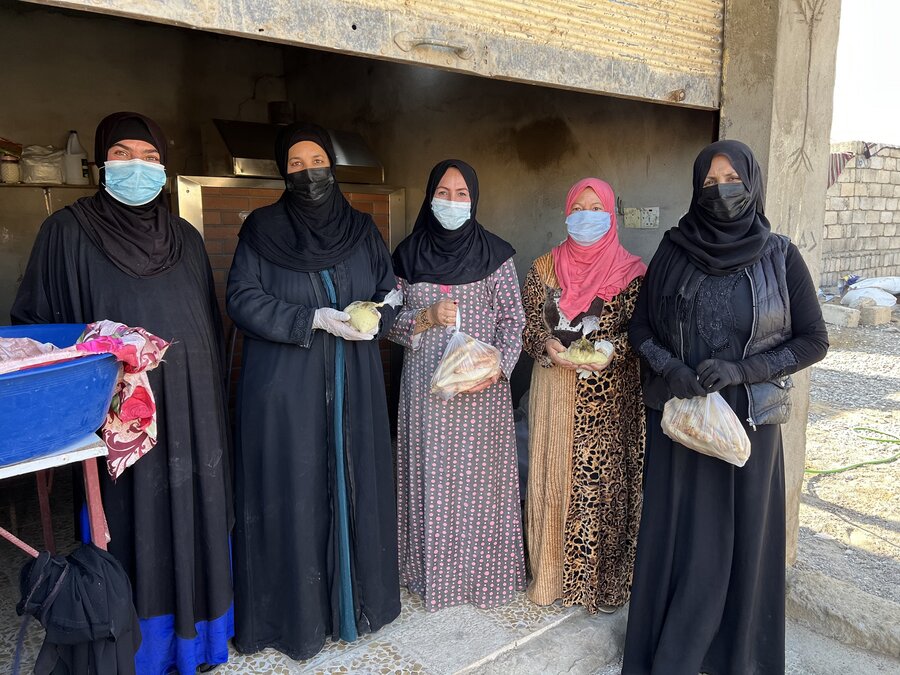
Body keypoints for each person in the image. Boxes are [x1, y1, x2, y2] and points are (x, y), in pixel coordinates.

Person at [12, 112, 234, 675]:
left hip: (193, 406)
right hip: (119, 411)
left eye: (150, 156)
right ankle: (137, 648)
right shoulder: (68, 230)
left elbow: (208, 320)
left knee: (198, 511)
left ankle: (202, 644)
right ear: (99, 163)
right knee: (131, 519)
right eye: (122, 153)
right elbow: (38, 329)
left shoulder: (183, 235)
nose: (138, 165)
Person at [622, 140, 829, 675]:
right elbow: (639, 327)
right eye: (710, 183)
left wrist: (743, 371)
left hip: (749, 427)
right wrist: (671, 368)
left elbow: (813, 340)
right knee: (681, 536)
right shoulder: (672, 250)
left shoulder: (780, 255)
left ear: (752, 183)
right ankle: (673, 653)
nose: (721, 192)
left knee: (743, 542)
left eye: (731, 179)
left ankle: (738, 659)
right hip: (683, 421)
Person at [226, 122, 400, 660]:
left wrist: (381, 315)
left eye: (316, 160)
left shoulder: (362, 228)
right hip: (286, 392)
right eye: (296, 164)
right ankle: (294, 618)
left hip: (355, 385)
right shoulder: (261, 228)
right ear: (284, 171)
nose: (308, 172)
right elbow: (241, 298)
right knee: (293, 490)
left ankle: (358, 604)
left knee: (353, 483)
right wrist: (311, 318)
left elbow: (387, 287)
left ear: (333, 165)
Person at [389, 159, 525, 610]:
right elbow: (387, 322)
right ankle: (433, 579)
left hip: (481, 398)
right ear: (430, 197)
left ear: (475, 199)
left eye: (461, 193)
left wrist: (495, 369)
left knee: (481, 488)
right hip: (426, 398)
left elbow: (513, 322)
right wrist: (425, 317)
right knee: (432, 482)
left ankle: (483, 579)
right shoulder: (407, 255)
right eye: (443, 193)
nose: (451, 201)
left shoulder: (497, 254)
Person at [521, 177, 646, 613]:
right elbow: (526, 325)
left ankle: (595, 586)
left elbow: (641, 334)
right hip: (553, 390)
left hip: (605, 401)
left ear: (611, 215)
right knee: (550, 480)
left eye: (597, 208)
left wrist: (613, 351)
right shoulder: (543, 267)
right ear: (566, 213)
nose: (587, 216)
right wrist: (546, 344)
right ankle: (550, 577)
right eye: (580, 207)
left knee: (596, 490)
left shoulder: (632, 272)